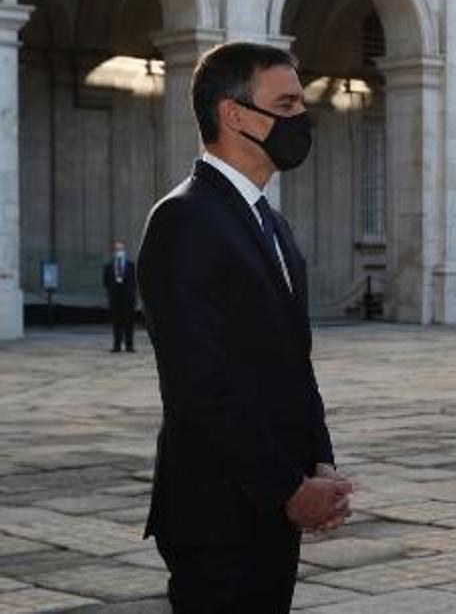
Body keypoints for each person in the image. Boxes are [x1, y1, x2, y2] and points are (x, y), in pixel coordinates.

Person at [138, 42, 352, 612]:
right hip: (218, 513)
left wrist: (319, 463)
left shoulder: (270, 222)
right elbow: (198, 385)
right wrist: (288, 489)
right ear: (234, 115)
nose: (300, 120)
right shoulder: (184, 218)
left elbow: (291, 361)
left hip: (273, 505)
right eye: (285, 105)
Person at [102, 239, 137, 353]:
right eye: (117, 249)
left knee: (129, 323)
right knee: (116, 323)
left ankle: (129, 345)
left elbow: (135, 282)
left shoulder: (131, 266)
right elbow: (105, 282)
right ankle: (117, 345)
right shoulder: (109, 266)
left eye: (121, 249)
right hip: (115, 299)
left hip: (128, 299)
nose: (119, 251)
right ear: (114, 251)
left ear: (124, 250)